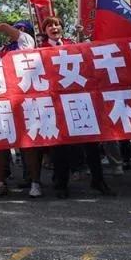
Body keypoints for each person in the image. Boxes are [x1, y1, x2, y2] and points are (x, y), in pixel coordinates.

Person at [38, 17, 115, 199]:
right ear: (45, 30)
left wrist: (82, 39)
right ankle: (61, 183)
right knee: (60, 145)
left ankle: (98, 180)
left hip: (80, 98)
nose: (54, 28)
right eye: (49, 26)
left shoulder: (72, 44)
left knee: (90, 142)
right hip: (55, 101)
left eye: (56, 25)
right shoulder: (39, 50)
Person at [0, 19, 37, 198]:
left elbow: (4, 28)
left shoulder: (26, 42)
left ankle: (35, 182)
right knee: (0, 143)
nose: (16, 31)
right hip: (3, 100)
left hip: (23, 99)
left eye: (20, 28)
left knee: (28, 144)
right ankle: (0, 181)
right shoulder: (5, 49)